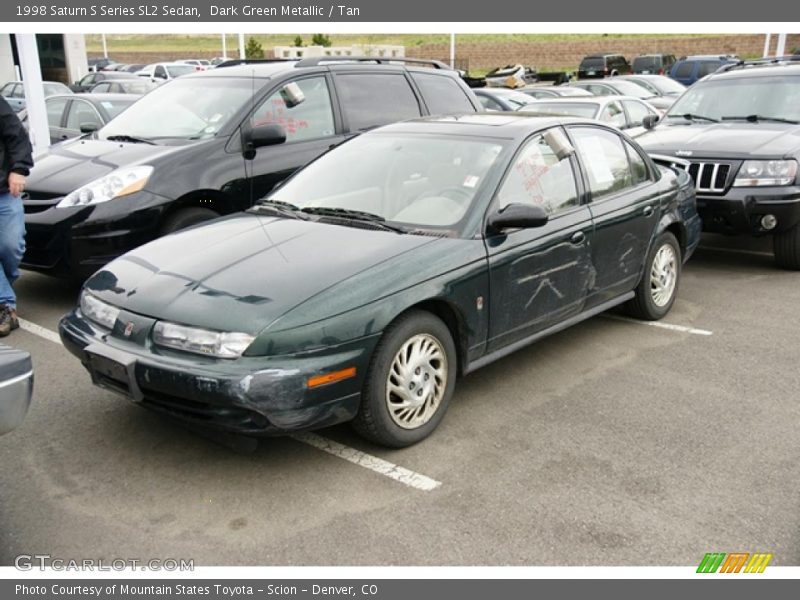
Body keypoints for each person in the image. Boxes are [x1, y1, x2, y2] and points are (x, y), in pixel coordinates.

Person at [0, 95, 33, 336]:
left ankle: (3, 289)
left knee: (11, 246)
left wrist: (19, 169)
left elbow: (16, 135)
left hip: (4, 190)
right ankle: (6, 306)